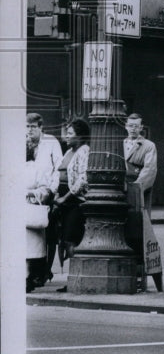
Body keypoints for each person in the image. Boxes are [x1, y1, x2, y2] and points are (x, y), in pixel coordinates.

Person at [25, 113, 62, 291]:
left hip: (46, 192)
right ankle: (33, 272)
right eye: (27, 127)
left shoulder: (51, 142)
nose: (29, 130)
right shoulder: (24, 142)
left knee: (48, 233)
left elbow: (58, 168)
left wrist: (52, 190)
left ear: (41, 127)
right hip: (27, 193)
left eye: (33, 127)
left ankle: (44, 270)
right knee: (30, 234)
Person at [53, 118, 91, 268]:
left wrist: (65, 197)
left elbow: (83, 178)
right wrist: (57, 195)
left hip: (75, 201)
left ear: (80, 136)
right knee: (63, 240)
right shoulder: (69, 151)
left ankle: (77, 276)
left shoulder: (84, 151)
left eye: (70, 133)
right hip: (63, 201)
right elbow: (59, 173)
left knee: (71, 238)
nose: (66, 136)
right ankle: (72, 277)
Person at [123, 113, 158, 216]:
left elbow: (149, 169)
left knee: (138, 217)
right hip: (122, 186)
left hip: (138, 186)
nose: (133, 129)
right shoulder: (121, 144)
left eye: (136, 126)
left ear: (141, 127)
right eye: (130, 125)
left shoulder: (149, 145)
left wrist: (136, 187)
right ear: (126, 126)